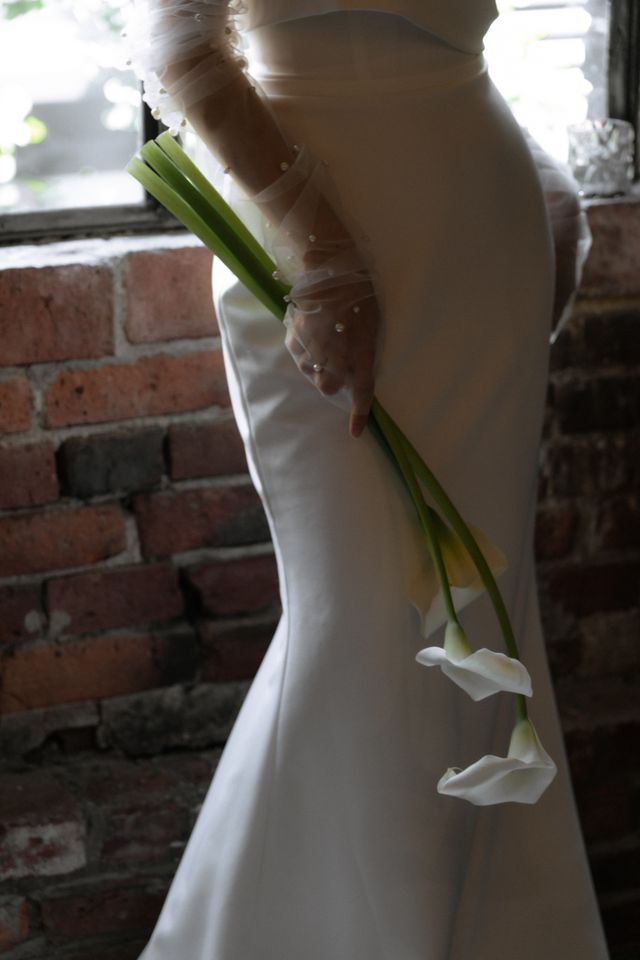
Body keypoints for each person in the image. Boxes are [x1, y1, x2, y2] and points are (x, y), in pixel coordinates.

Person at [126, 2, 608, 957]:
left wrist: (551, 191)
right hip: (303, 224)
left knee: (482, 603)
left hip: (481, 219)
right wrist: (323, 260)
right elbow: (185, 47)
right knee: (354, 620)